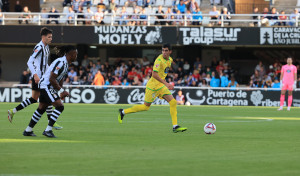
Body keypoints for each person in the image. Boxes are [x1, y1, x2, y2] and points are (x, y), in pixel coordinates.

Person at [118, 44, 187, 133]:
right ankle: (123, 112)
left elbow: (164, 71)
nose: (164, 52)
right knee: (146, 107)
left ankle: (175, 126)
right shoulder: (159, 60)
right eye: (163, 50)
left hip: (161, 85)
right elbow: (154, 74)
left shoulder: (170, 60)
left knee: (173, 102)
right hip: (153, 87)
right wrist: (166, 83)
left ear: (170, 51)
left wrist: (172, 76)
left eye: (166, 50)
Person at [8, 27, 63, 130]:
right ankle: (51, 122)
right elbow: (30, 61)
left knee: (35, 99)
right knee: (48, 99)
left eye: (51, 37)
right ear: (43, 37)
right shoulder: (39, 47)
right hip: (39, 78)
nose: (51, 39)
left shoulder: (46, 47)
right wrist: (35, 75)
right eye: (49, 37)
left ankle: (13, 111)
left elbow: (44, 64)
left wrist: (49, 72)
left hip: (42, 77)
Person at [22, 45, 77, 137]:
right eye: (76, 54)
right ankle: (48, 130)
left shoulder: (66, 63)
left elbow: (60, 78)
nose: (76, 56)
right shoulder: (61, 62)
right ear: (71, 54)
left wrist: (60, 91)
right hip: (46, 86)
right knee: (60, 107)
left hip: (47, 86)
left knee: (41, 108)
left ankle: (28, 130)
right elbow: (52, 78)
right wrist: (62, 91)